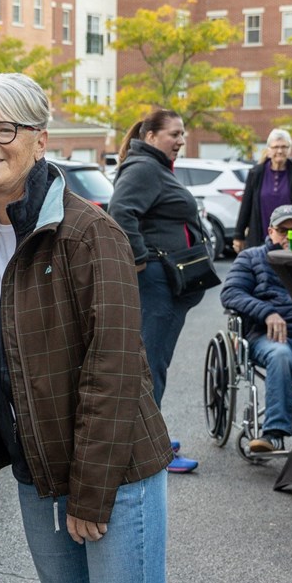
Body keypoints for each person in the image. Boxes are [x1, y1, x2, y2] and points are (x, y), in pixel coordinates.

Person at [0, 72, 172, 583]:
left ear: (40, 140)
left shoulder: (88, 233)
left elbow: (116, 369)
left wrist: (91, 491)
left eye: (5, 128)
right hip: (41, 473)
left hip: (114, 474)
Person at [108, 109, 207, 474]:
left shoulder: (154, 166)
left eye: (183, 134)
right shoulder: (145, 168)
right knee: (152, 366)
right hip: (157, 285)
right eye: (175, 134)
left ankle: (151, 435)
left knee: (152, 363)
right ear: (151, 136)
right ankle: (150, 449)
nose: (181, 140)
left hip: (165, 284)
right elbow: (121, 211)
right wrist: (139, 259)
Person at [221, 204, 292, 453]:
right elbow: (231, 293)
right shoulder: (251, 257)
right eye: (283, 230)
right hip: (265, 336)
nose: (288, 236)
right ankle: (273, 434)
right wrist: (267, 313)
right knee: (281, 355)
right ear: (271, 231)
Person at [233, 128, 292, 252]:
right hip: (260, 237)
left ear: (289, 149)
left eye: (284, 147)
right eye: (275, 147)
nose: (279, 151)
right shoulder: (256, 172)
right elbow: (246, 205)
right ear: (269, 150)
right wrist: (238, 235)